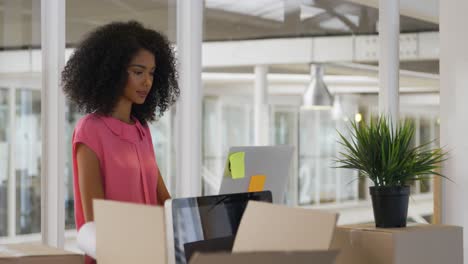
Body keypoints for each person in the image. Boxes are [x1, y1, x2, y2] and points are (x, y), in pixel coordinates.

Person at [62, 21, 179, 262]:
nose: (147, 82)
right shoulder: (90, 130)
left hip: (152, 254)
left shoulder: (142, 130)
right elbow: (95, 218)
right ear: (113, 71)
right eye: (138, 72)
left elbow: (164, 201)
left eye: (152, 73)